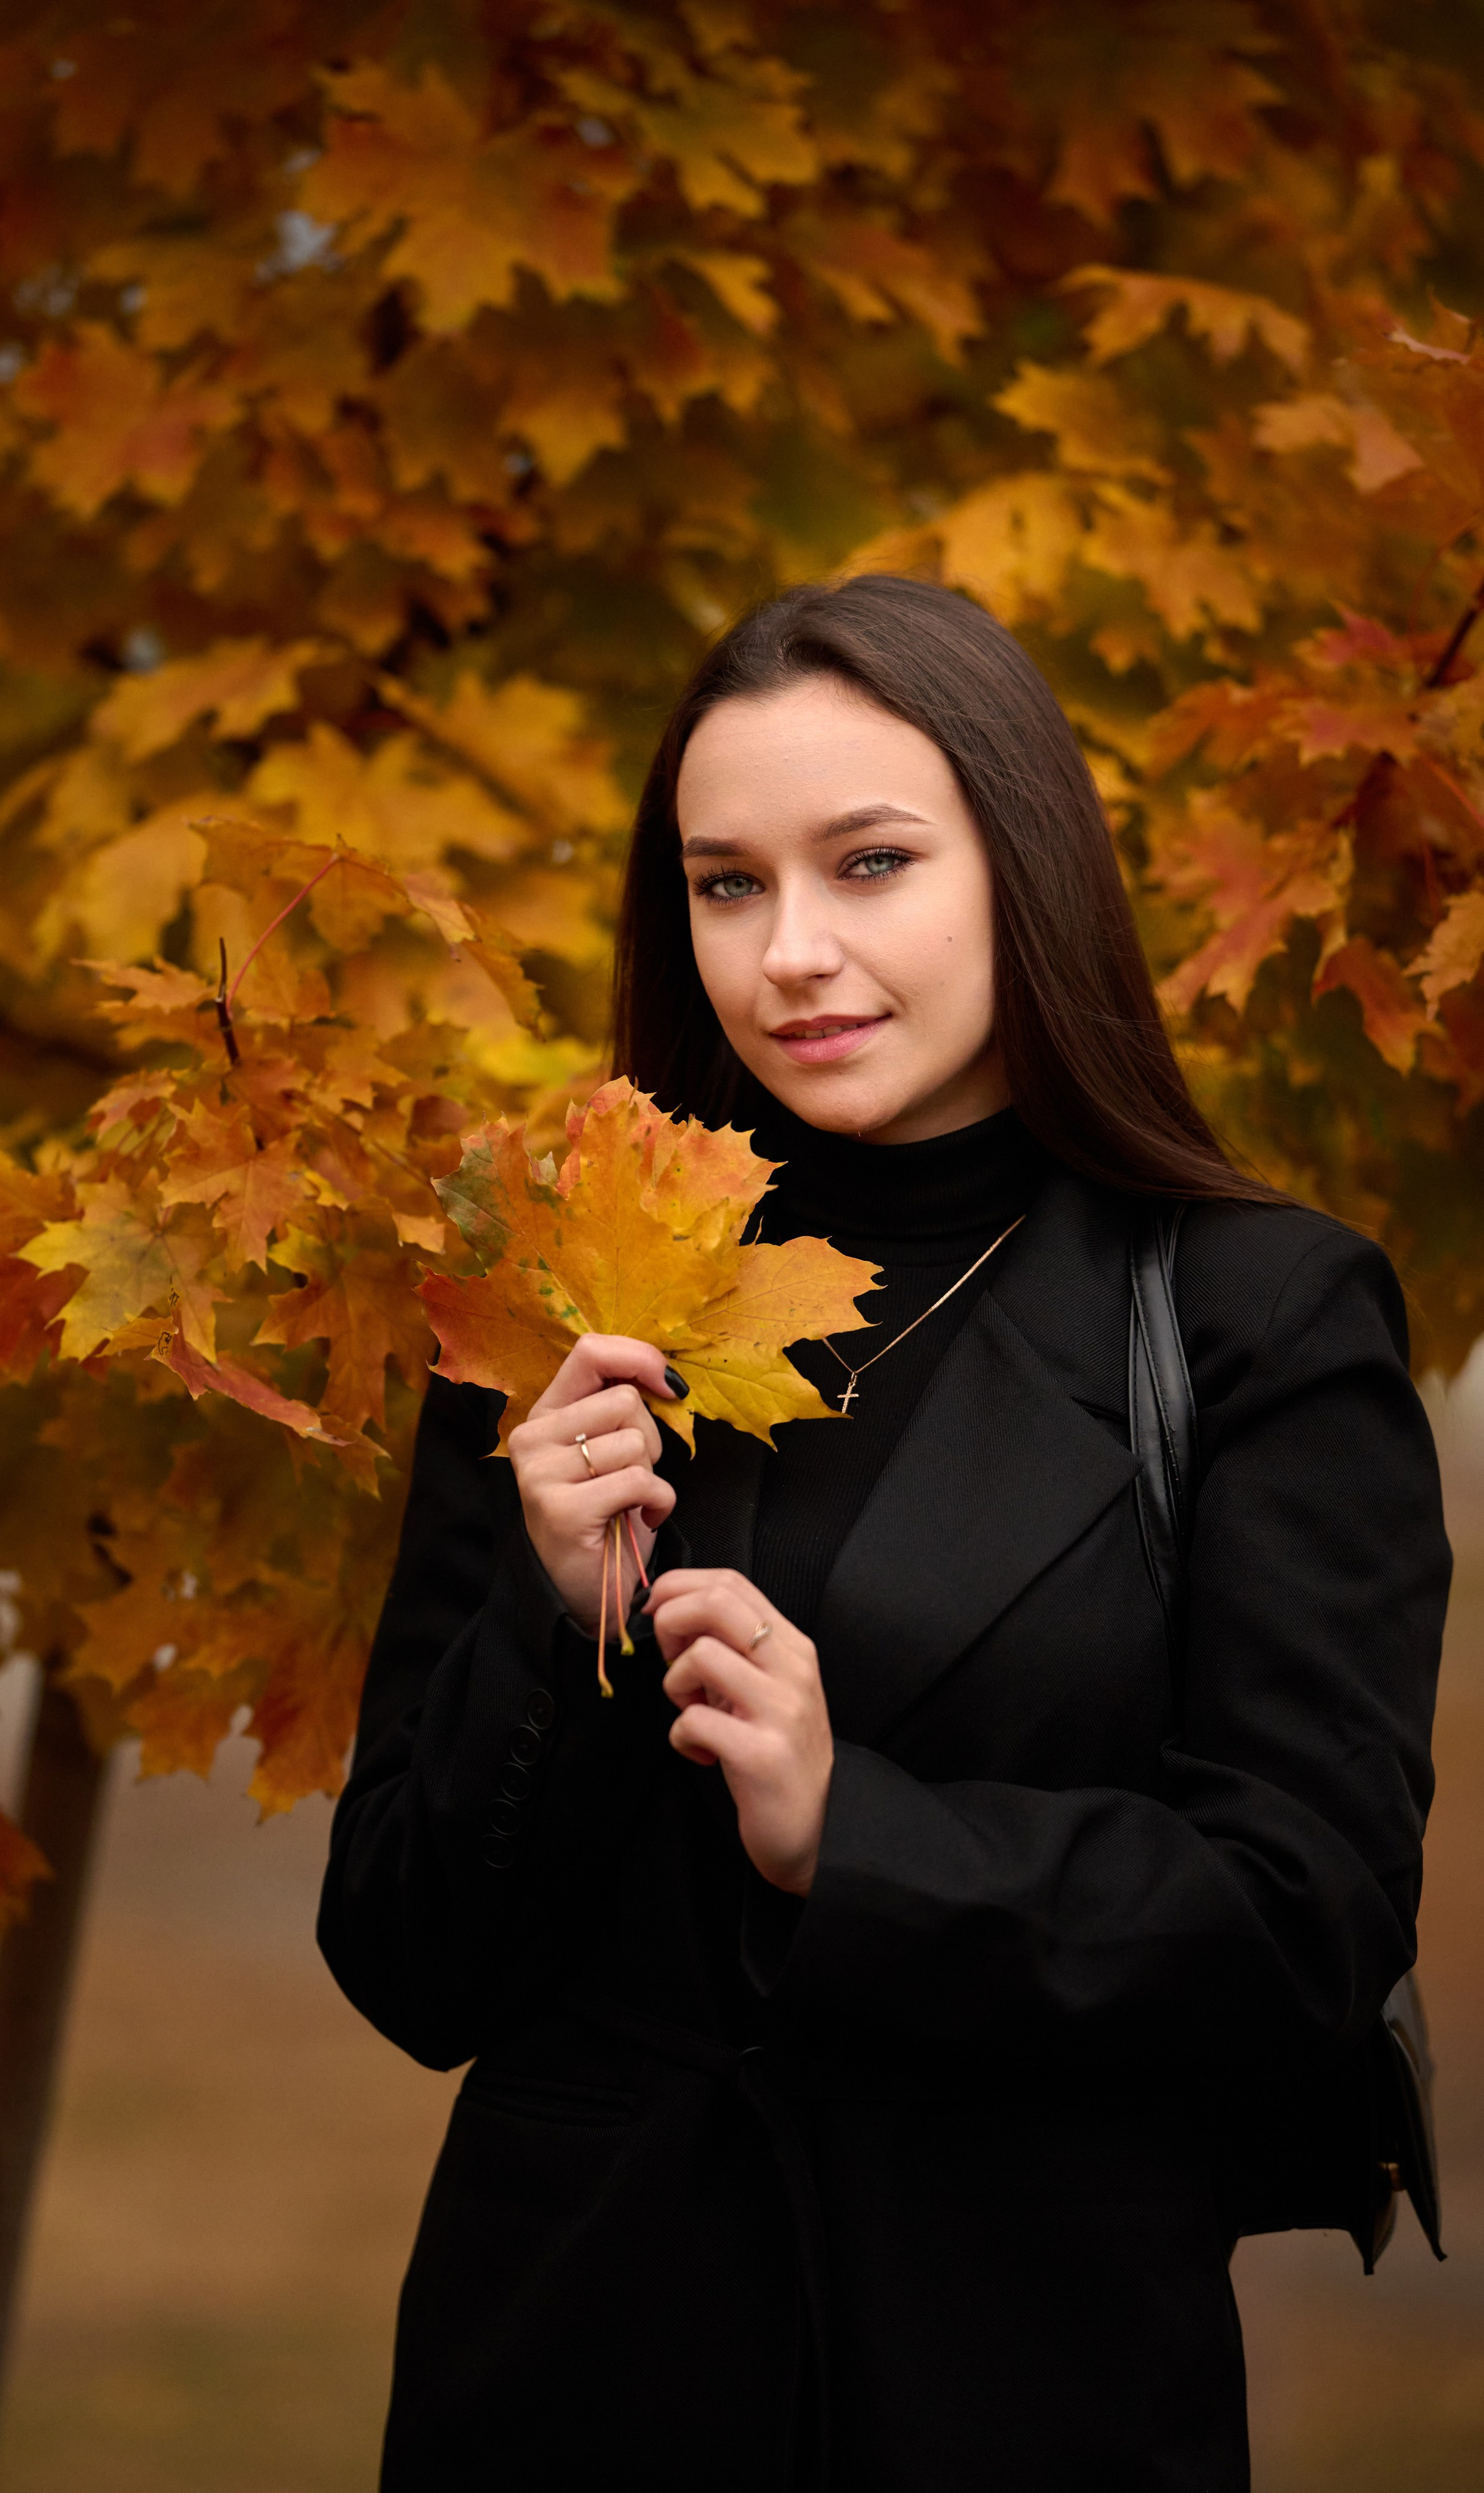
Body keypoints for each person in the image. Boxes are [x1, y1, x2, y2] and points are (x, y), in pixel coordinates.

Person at [318, 575, 1450, 2492]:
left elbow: (1303, 1933)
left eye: (870, 863)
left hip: (1023, 2382)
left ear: (1024, 861)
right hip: (565, 2380)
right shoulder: (565, 1288)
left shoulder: (1256, 1313)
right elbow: (412, 1966)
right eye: (728, 882)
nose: (792, 954)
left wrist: (867, 1841)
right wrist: (540, 1620)